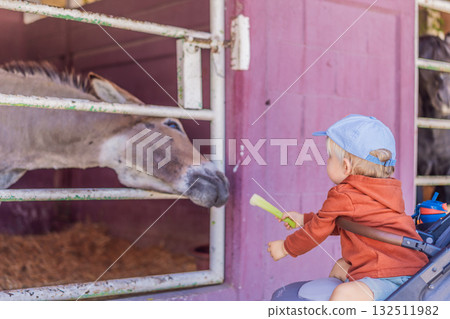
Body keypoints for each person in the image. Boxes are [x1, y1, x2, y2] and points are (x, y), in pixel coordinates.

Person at [267, 114, 429, 301]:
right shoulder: (387, 190)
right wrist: (303, 219)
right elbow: (343, 223)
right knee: (341, 266)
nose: (326, 161)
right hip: (412, 270)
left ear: (345, 166)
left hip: (389, 277)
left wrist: (285, 247)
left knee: (343, 295)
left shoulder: (344, 194)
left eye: (329, 157)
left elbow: (317, 231)